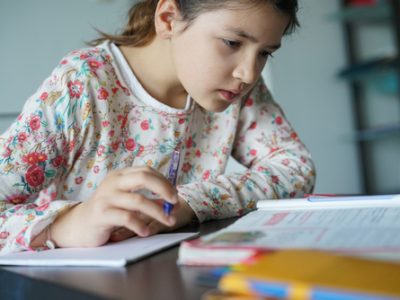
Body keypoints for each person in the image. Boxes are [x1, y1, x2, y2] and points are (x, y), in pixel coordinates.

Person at [0, 0, 315, 254]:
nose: (248, 73)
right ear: (168, 19)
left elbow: (296, 169)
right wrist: (65, 225)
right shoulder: (82, 86)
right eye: (232, 42)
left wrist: (191, 202)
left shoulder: (237, 90)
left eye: (264, 53)